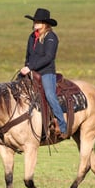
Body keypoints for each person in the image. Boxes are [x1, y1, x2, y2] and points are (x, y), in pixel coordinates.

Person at [20, 8, 68, 139]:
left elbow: (49, 57)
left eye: (38, 21)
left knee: (50, 95)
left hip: (46, 72)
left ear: (45, 24)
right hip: (31, 70)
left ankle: (63, 126)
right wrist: (26, 67)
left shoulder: (51, 37)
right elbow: (28, 55)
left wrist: (30, 67)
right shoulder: (32, 36)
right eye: (35, 20)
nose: (35, 23)